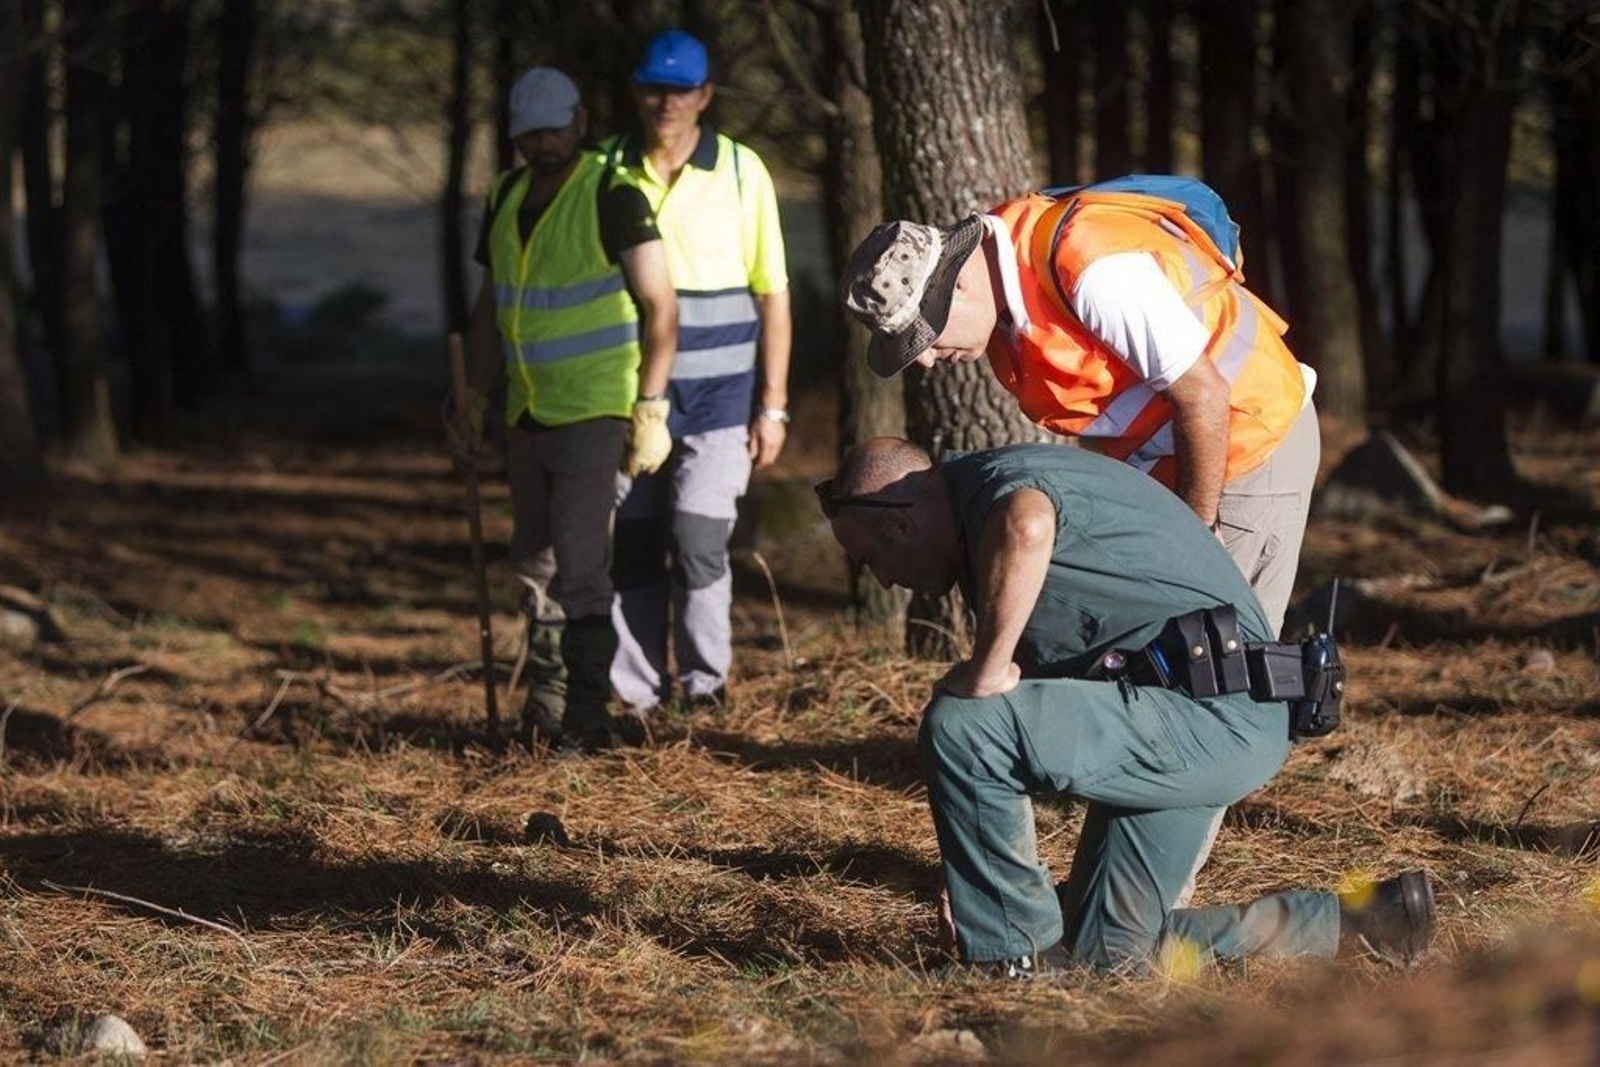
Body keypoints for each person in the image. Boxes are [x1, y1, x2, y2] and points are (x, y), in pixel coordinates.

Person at [816, 437, 1435, 976]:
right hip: (1211, 716)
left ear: (899, 524)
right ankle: (1364, 923)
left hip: (1209, 715)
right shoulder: (983, 501)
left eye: (871, 559)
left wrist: (987, 666)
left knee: (962, 723)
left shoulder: (994, 490)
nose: (883, 581)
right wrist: (983, 885)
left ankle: (1014, 966)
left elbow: (1027, 524)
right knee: (1107, 953)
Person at [840, 188, 1319, 638]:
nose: (924, 360)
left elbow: (1205, 395)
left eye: (925, 335)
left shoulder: (1093, 271)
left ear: (960, 283)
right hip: (1177, 459)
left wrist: (1194, 541)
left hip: (1248, 445)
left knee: (1224, 654)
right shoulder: (1009, 298)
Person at [454, 67, 677, 752]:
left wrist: (649, 406)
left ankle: (587, 717)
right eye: (529, 133)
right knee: (533, 560)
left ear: (579, 123)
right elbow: (494, 303)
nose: (542, 143)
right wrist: (472, 392)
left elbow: (661, 305)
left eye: (554, 129)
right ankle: (546, 704)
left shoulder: (613, 194)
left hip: (594, 410)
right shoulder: (506, 194)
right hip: (527, 409)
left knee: (581, 565)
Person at [603, 30, 793, 715]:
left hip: (722, 397)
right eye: (654, 86)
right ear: (635, 90)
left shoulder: (743, 171)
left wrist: (773, 405)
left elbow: (774, 292)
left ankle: (705, 687)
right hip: (630, 391)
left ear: (705, 95)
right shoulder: (605, 167)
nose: (666, 101)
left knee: (697, 539)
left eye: (681, 89)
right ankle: (636, 695)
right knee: (634, 543)